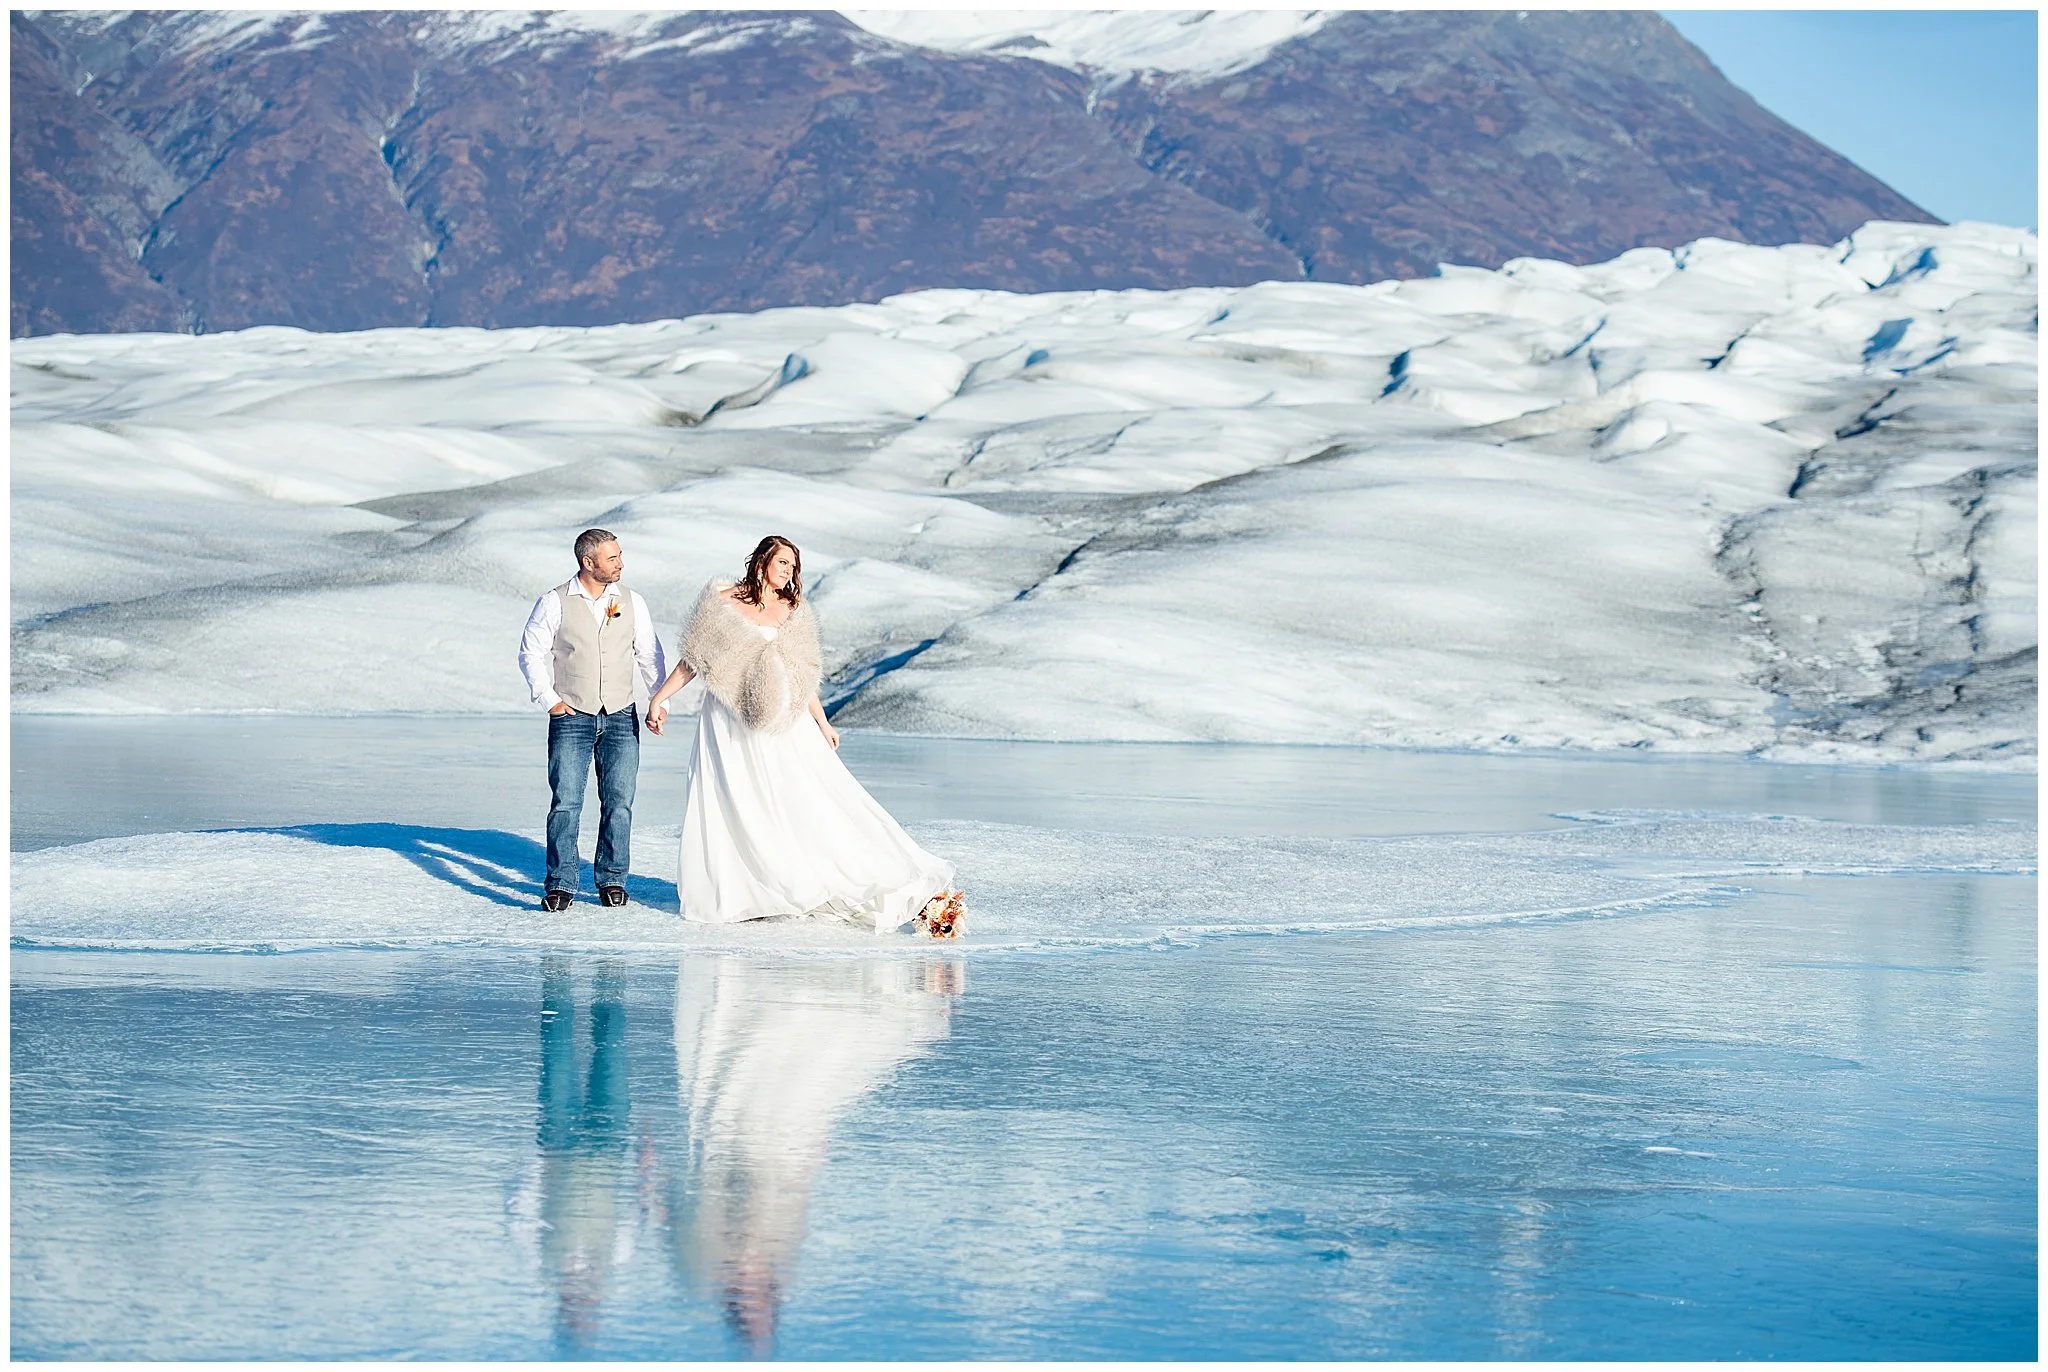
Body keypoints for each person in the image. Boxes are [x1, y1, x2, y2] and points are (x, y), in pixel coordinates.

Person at [645, 535, 963, 935]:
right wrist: (660, 698)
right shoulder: (721, 602)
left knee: (799, 795)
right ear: (762, 561)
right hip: (726, 720)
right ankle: (743, 891)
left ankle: (805, 878)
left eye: (793, 566)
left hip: (782, 721)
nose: (788, 572)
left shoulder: (792, 610)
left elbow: (803, 675)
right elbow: (693, 661)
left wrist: (823, 722)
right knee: (732, 797)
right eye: (782, 563)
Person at [518, 528, 666, 911]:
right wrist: (549, 700)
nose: (621, 563)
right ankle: (561, 884)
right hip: (571, 717)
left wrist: (659, 699)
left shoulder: (631, 601)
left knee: (619, 802)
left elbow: (649, 653)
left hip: (621, 716)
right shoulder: (554, 602)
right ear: (588, 562)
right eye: (612, 558)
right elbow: (530, 653)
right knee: (566, 803)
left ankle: (612, 880)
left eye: (620, 555)